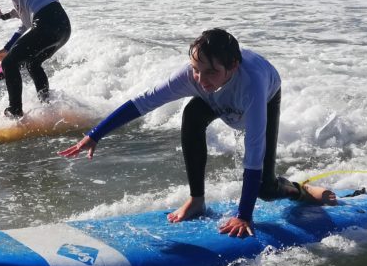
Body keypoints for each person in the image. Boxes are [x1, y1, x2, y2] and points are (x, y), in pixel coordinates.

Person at [60, 28, 335, 238]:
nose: (201, 80)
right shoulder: (194, 77)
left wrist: (244, 216)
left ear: (233, 67)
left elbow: (254, 152)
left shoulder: (252, 86)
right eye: (196, 69)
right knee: (192, 113)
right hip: (223, 98)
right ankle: (196, 200)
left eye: (211, 71)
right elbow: (143, 102)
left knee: (265, 188)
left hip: (266, 97)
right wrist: (96, 134)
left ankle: (301, 190)